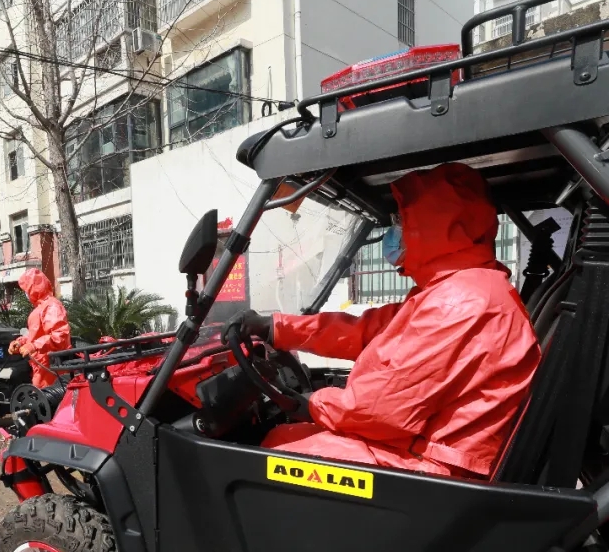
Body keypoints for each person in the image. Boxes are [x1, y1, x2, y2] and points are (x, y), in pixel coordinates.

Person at [227, 163, 540, 478]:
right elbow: (363, 332)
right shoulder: (454, 290)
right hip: (424, 445)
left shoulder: (460, 302)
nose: (396, 232)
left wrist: (311, 405)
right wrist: (275, 328)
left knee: (272, 454)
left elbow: (381, 409)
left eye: (402, 221)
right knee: (285, 437)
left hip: (437, 468)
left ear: (434, 226)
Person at [9, 269, 71, 388]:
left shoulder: (52, 306)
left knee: (46, 397)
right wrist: (20, 343)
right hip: (42, 365)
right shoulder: (41, 307)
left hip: (51, 367)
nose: (26, 293)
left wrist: (34, 346)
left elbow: (60, 335)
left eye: (26, 290)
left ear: (33, 288)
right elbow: (35, 334)